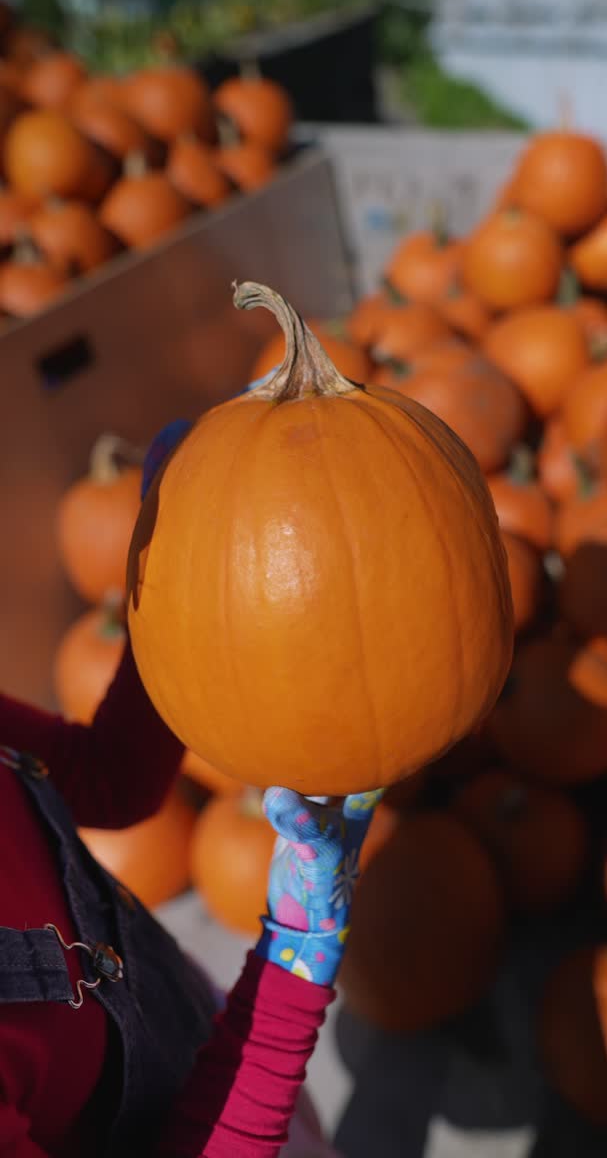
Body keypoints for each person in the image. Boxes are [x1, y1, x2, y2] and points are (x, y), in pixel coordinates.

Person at [0, 417, 382, 1158]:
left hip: (196, 1023)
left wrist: (170, 569)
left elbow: (106, 779)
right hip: (232, 1101)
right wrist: (291, 970)